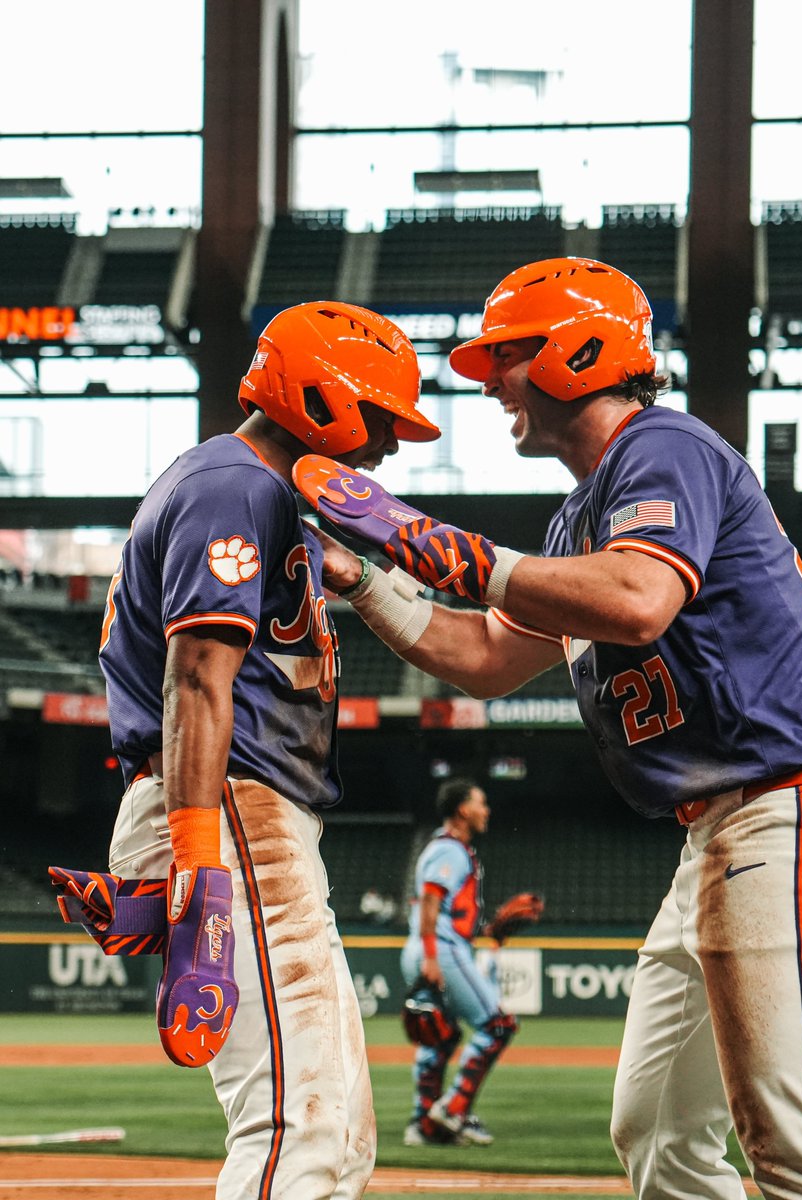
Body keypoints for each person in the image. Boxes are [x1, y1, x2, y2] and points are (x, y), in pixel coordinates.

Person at [297, 259, 802, 1200]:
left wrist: (448, 549)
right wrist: (366, 579)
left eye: (505, 357)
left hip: (792, 815)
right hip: (730, 833)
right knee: (659, 1133)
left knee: (799, 1148)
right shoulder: (580, 515)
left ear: (578, 353)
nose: (490, 382)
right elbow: (485, 657)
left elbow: (637, 598)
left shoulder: (661, 445)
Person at [96, 301, 440, 1199]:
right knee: (298, 1128)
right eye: (381, 416)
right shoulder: (233, 484)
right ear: (321, 396)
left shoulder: (255, 490)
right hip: (229, 806)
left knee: (339, 1134)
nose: (389, 444)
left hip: (245, 809)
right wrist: (197, 863)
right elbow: (197, 678)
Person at [400, 776, 515, 1148]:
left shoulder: (444, 847)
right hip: (441, 950)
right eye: (481, 803)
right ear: (464, 810)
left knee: (441, 1036)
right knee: (497, 1025)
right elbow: (431, 903)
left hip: (429, 946)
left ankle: (424, 1124)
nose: (486, 810)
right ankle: (453, 1110)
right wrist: (433, 957)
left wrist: (489, 931)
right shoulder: (450, 850)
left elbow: (447, 908)